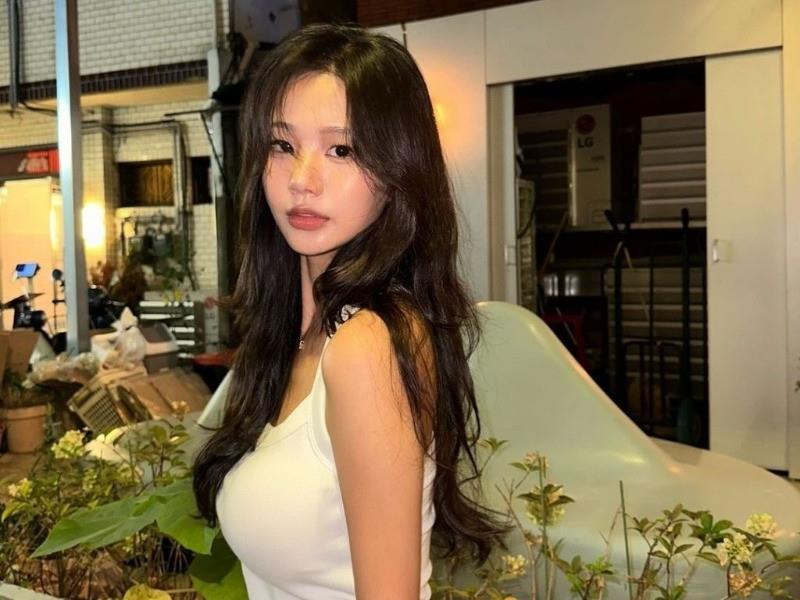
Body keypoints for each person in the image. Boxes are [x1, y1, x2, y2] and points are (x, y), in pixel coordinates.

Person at [192, 22, 506, 600]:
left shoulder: (367, 344)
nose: (302, 181)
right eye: (283, 146)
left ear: (398, 170)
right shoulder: (297, 337)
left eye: (341, 150)